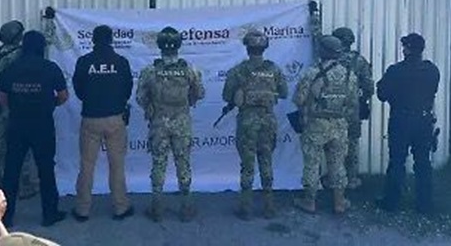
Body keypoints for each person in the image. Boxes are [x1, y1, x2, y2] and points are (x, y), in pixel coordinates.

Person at [0, 31, 69, 227]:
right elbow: (63, 96)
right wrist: (50, 104)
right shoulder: (50, 68)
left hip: (17, 125)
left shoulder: (11, 68)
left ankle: (6, 216)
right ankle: (49, 214)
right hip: (42, 125)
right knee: (46, 169)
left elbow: (2, 98)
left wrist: (18, 107)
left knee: (11, 171)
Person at [136, 26, 205, 222]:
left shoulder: (150, 71)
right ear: (178, 46)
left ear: (160, 46)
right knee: (183, 164)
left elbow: (140, 98)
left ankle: (157, 209)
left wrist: (152, 106)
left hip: (159, 123)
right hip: (182, 122)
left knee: (159, 164)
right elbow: (199, 94)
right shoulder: (189, 70)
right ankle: (186, 208)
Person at [221, 29, 289, 220]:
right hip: (268, 120)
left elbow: (226, 96)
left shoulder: (238, 71)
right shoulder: (274, 69)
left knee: (247, 165)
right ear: (264, 47)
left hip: (247, 121)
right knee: (266, 161)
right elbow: (284, 93)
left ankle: (246, 208)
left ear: (247, 48)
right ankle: (269, 207)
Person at [71, 25, 134, 222]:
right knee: (117, 164)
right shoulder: (121, 62)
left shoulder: (84, 61)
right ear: (111, 40)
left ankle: (82, 209)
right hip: (115, 118)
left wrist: (92, 100)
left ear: (93, 40)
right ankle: (120, 207)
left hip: (91, 118)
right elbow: (128, 88)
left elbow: (78, 89)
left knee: (87, 165)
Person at [293, 35, 358, 214]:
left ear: (322, 51)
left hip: (316, 125)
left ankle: (309, 202)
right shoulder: (350, 75)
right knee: (338, 164)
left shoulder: (312, 73)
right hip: (339, 125)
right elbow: (353, 103)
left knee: (312, 164)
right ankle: (339, 202)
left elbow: (298, 99)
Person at [376, 33, 440, 214]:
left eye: (404, 46)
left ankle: (391, 202)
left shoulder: (395, 71)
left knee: (397, 161)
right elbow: (433, 91)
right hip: (424, 120)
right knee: (423, 162)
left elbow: (382, 94)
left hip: (401, 119)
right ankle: (425, 204)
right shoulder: (432, 70)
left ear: (408, 50)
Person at [0, 20, 38, 200]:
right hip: (18, 105)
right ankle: (22, 187)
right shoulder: (21, 55)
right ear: (18, 37)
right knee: (21, 147)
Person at [331, 27, 374, 189]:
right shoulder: (359, 60)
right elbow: (369, 87)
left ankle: (335, 179)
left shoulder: (330, 58)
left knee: (333, 144)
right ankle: (352, 179)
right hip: (352, 109)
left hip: (332, 108)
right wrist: (361, 98)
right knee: (352, 144)